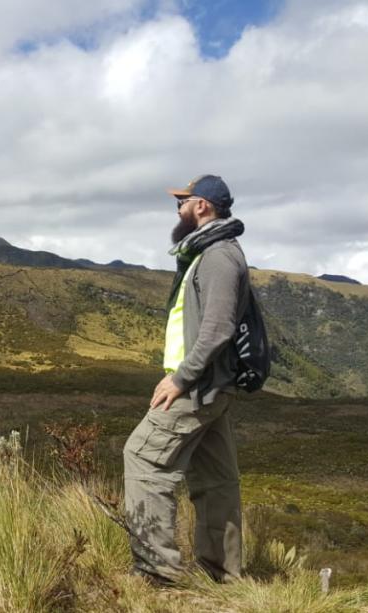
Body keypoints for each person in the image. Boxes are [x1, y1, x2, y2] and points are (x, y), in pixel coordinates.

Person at [123, 174, 249, 585]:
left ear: (202, 206)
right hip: (211, 386)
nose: (177, 209)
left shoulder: (218, 257)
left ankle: (158, 572)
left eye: (182, 202)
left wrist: (181, 378)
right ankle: (221, 574)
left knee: (143, 458)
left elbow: (217, 329)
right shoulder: (211, 251)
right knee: (216, 481)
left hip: (197, 387)